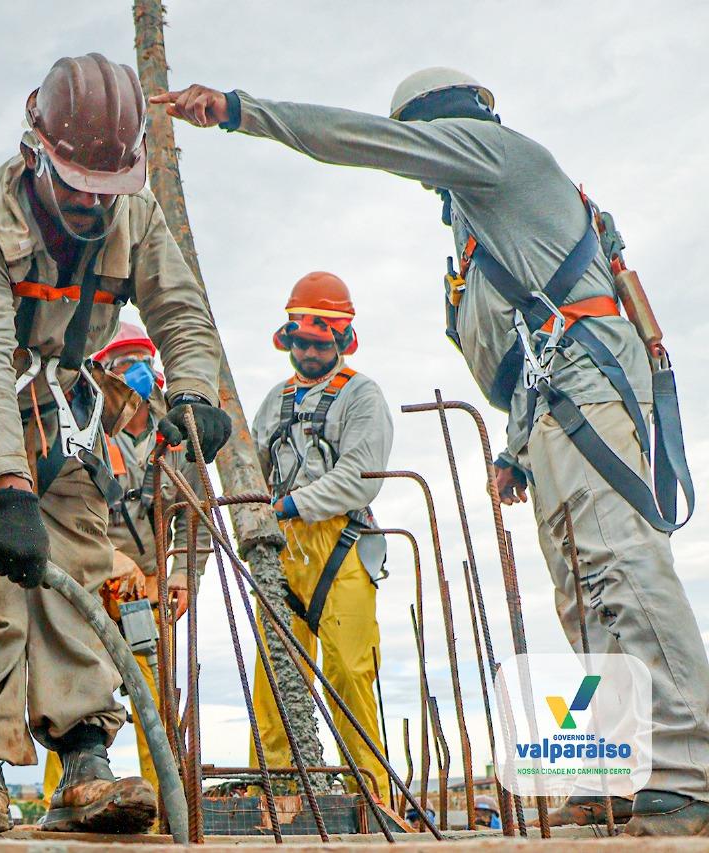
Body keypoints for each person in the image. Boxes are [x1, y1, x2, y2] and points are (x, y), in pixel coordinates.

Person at [154, 68, 709, 837]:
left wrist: (242, 113)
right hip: (552, 406)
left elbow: (364, 144)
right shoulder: (482, 227)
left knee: (624, 565)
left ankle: (688, 770)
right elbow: (527, 342)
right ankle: (618, 775)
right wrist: (516, 446)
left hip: (592, 395)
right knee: (585, 593)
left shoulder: (496, 156)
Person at [0, 53, 227, 837]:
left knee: (79, 576)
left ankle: (86, 761)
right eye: (78, 187)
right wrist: (9, 491)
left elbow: (183, 314)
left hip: (66, 417)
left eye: (107, 190)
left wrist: (193, 391)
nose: (93, 205)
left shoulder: (138, 216)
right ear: (37, 152)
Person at [41, 322, 212, 811]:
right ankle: (73, 797)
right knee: (76, 688)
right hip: (91, 579)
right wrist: (107, 558)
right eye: (124, 362)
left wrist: (182, 576)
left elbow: (195, 514)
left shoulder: (177, 435)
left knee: (157, 699)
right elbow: (59, 509)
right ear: (103, 372)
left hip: (150, 588)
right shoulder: (81, 425)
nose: (138, 371)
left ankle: (165, 806)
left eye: (144, 359)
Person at [248, 272, 391, 799]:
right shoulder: (275, 401)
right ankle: (277, 793)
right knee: (275, 678)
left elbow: (360, 476)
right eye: (299, 342)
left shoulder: (362, 397)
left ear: (340, 340)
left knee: (350, 672)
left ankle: (369, 796)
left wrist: (288, 504)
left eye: (317, 342)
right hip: (284, 550)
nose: (307, 351)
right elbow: (250, 469)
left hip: (342, 547)